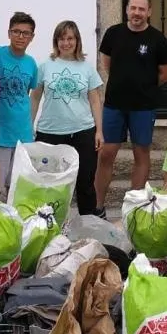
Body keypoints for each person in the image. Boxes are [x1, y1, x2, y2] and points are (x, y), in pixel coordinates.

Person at [95, 0, 167, 218]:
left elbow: (166, 73)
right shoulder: (113, 34)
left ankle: (133, 209)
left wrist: (144, 85)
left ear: (149, 12)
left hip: (143, 107)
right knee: (107, 154)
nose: (137, 13)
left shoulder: (158, 39)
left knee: (141, 154)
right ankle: (99, 207)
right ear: (127, 10)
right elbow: (107, 64)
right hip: (114, 105)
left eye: (142, 9)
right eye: (133, 8)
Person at [30, 20, 104, 216]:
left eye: (70, 38)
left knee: (85, 183)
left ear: (77, 41)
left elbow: (95, 100)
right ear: (56, 42)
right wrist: (29, 126)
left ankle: (88, 225)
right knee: (49, 183)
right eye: (61, 39)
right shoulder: (45, 66)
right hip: (49, 133)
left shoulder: (87, 68)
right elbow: (35, 97)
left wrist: (99, 131)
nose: (66, 43)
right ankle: (47, 225)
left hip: (83, 132)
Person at [0, 12, 39, 195]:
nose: (20, 36)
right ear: (9, 33)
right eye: (16, 31)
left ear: (32, 37)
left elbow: (27, 92)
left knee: (17, 187)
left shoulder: (31, 64)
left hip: (23, 135)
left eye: (26, 33)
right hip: (0, 133)